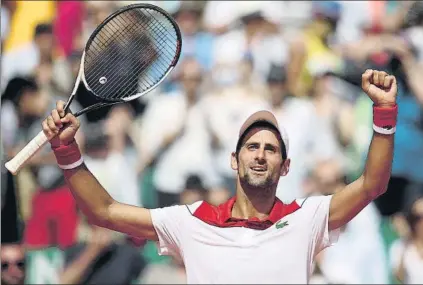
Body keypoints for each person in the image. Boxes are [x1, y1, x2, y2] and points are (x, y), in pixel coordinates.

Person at [40, 69, 398, 283]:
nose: (260, 154)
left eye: (271, 149)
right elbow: (103, 211)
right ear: (233, 160)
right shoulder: (193, 221)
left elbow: (372, 184)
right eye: (251, 147)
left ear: (286, 167)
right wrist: (67, 151)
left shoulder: (307, 218)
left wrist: (383, 112)